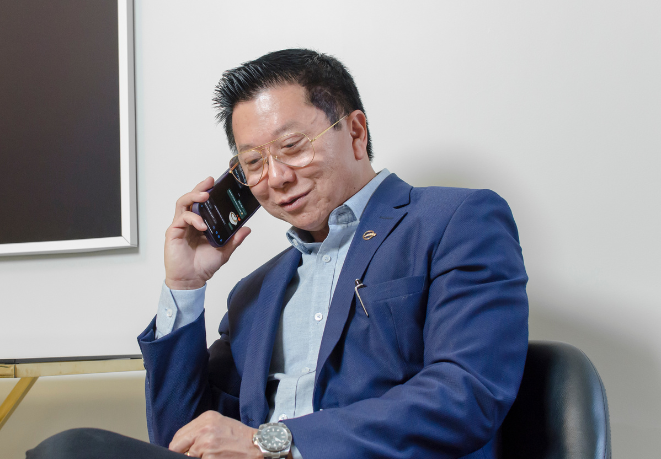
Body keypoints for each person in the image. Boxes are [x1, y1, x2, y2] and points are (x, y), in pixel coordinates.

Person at [28, 49, 528, 459]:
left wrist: (274, 442)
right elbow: (179, 439)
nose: (277, 177)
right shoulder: (255, 293)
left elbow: (467, 392)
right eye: (253, 163)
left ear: (355, 132)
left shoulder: (454, 220)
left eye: (292, 146)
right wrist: (185, 287)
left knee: (69, 450)